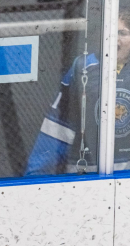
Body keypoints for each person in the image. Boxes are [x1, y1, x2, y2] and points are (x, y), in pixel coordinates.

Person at [25, 10, 130, 175]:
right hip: (85, 176)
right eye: (110, 32)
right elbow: (58, 126)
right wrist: (34, 174)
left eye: (122, 33)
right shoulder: (82, 69)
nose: (114, 39)